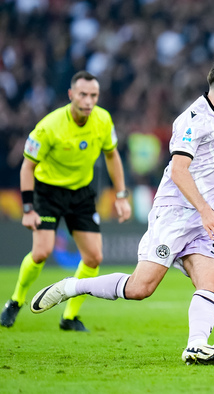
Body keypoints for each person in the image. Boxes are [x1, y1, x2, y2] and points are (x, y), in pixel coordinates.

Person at [29, 54, 214, 366]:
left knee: (213, 279)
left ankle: (197, 346)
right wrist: (206, 211)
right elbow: (179, 170)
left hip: (200, 218)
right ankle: (71, 286)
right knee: (140, 288)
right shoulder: (192, 121)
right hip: (175, 214)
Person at [0, 71, 132, 331]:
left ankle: (69, 317)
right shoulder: (49, 126)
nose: (88, 101)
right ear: (71, 95)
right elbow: (27, 167)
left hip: (81, 193)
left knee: (94, 257)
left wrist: (121, 196)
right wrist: (27, 209)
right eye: (83, 95)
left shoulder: (103, 120)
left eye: (93, 95)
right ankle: (15, 301)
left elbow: (112, 155)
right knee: (41, 252)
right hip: (48, 192)